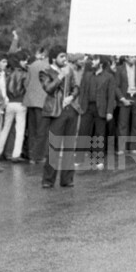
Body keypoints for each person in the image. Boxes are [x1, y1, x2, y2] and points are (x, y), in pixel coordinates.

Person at [42, 52, 81, 190]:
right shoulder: (45, 71)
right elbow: (48, 89)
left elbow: (76, 87)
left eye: (65, 56)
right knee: (54, 146)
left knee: (70, 145)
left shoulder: (70, 69)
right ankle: (48, 179)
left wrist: (72, 96)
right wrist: (60, 76)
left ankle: (67, 178)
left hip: (71, 109)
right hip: (56, 111)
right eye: (61, 57)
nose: (64, 59)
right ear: (54, 58)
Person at [0, 54, 29, 164]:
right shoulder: (25, 74)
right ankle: (16, 154)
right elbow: (27, 88)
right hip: (21, 103)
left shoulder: (7, 74)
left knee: (5, 128)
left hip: (9, 103)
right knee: (19, 130)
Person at [23, 45, 52, 164]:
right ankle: (38, 156)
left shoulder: (32, 66)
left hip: (30, 101)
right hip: (42, 101)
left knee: (32, 129)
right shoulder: (48, 67)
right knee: (42, 130)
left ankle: (31, 155)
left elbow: (26, 82)